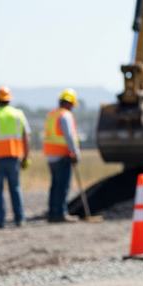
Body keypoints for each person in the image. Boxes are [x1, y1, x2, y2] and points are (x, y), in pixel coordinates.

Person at [0, 86, 31, 229]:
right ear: (9, 100)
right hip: (14, 157)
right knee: (15, 188)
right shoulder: (18, 114)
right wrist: (26, 157)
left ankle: (0, 220)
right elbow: (26, 137)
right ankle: (20, 219)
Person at [43, 89, 81, 223]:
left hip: (50, 155)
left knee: (55, 185)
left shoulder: (52, 114)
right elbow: (69, 136)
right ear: (69, 103)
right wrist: (75, 153)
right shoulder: (65, 115)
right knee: (62, 186)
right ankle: (60, 213)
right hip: (62, 156)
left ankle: (53, 212)